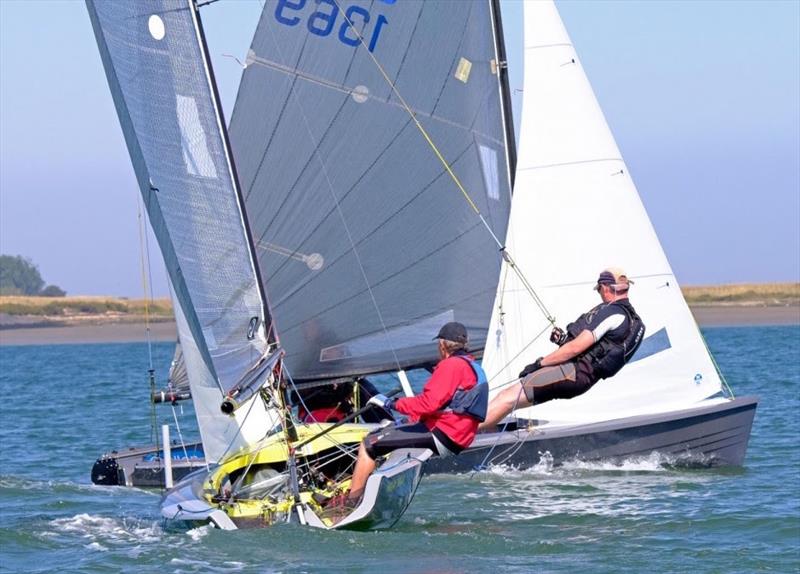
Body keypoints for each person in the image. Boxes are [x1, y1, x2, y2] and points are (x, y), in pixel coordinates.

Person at [340, 321, 487, 505]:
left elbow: (428, 403)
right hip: (458, 436)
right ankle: (371, 493)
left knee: (369, 444)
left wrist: (390, 403)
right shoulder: (473, 366)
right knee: (391, 431)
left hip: (443, 435)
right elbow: (446, 405)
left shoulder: (451, 366)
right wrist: (408, 420)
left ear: (442, 345)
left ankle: (350, 504)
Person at [480, 268, 645, 430]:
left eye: (599, 290)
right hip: (581, 378)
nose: (600, 294)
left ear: (604, 287)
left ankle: (460, 434)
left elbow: (574, 348)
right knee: (510, 401)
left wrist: (540, 364)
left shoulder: (612, 312)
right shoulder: (632, 320)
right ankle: (467, 431)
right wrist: (563, 341)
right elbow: (596, 351)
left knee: (507, 398)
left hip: (572, 372)